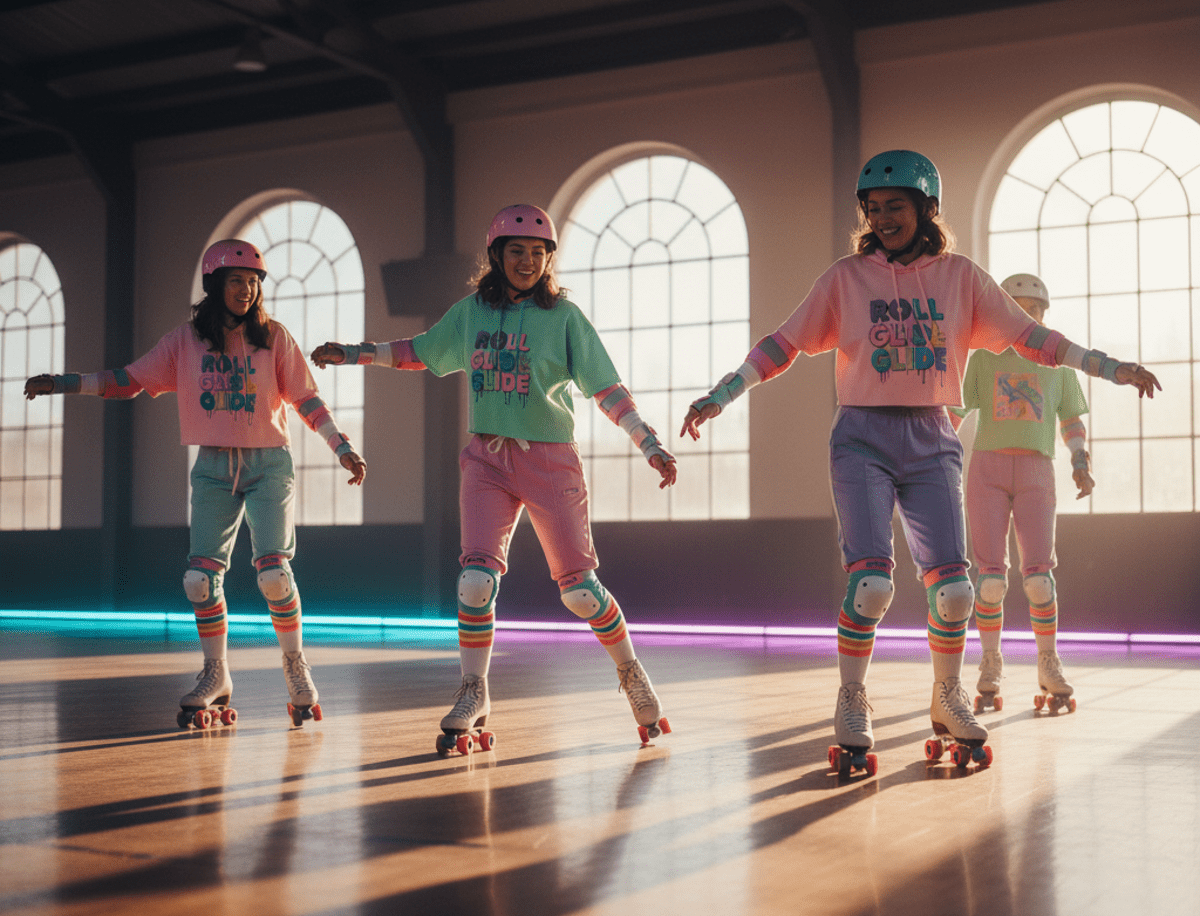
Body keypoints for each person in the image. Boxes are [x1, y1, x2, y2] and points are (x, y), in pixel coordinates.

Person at [680, 151, 1160, 771]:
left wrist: (1108, 366)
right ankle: (852, 698)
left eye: (895, 207)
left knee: (956, 592)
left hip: (933, 438)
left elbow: (1033, 339)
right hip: (862, 437)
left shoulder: (961, 277)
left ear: (926, 209)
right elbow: (786, 342)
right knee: (873, 582)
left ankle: (947, 694)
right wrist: (723, 392)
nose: (882, 218)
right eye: (873, 210)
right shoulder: (846, 278)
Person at [311, 204, 677, 753]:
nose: (527, 261)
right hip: (486, 459)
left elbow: (605, 388)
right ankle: (474, 690)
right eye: (516, 251)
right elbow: (420, 352)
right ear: (496, 256)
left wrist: (647, 442)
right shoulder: (470, 313)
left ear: (548, 259)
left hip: (550, 462)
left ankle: (630, 673)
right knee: (475, 582)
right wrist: (356, 353)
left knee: (579, 593)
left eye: (537, 252)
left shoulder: (565, 318)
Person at [24, 239, 366, 729]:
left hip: (269, 464)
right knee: (199, 580)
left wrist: (342, 447)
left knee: (273, 573)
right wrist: (64, 383)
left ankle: (295, 665)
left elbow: (307, 400)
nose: (246, 290)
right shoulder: (185, 342)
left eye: (253, 282)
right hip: (211, 466)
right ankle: (215, 672)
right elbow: (129, 380)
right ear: (214, 285)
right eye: (236, 281)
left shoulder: (275, 339)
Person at [951, 272, 1094, 714]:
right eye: (1016, 309)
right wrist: (929, 458)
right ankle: (990, 661)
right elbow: (955, 411)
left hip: (1036, 471)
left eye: (1033, 310)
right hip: (988, 470)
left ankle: (1048, 661)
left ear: (1043, 314)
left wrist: (1080, 462)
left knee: (1037, 578)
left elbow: (1070, 417)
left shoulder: (1057, 359)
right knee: (990, 581)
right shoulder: (983, 357)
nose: (1025, 316)